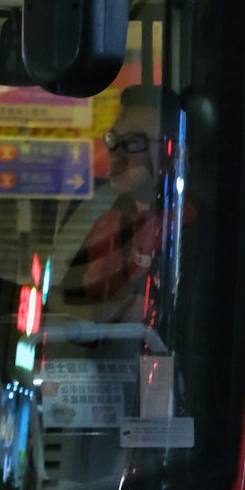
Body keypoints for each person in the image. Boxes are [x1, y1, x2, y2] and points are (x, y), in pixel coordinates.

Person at [61, 86, 166, 322]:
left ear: (173, 150)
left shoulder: (186, 226)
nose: (115, 153)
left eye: (133, 142)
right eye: (113, 139)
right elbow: (61, 300)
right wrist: (112, 313)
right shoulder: (110, 218)